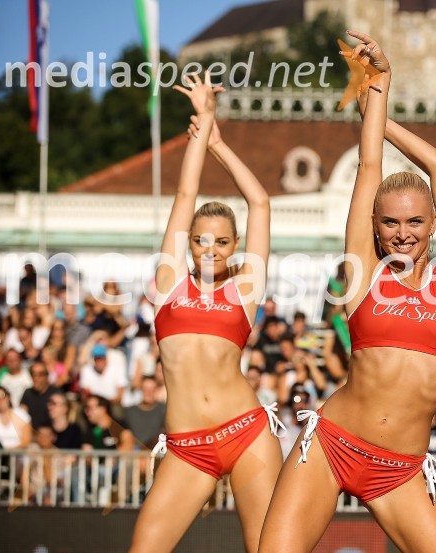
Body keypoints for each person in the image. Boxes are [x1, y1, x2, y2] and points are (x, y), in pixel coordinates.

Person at [259, 32, 436, 552]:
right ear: (375, 228)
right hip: (332, 445)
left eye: (416, 222)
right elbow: (369, 166)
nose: (403, 233)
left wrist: (382, 101)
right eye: (391, 223)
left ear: (435, 222)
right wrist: (375, 87)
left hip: (400, 471)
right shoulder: (364, 275)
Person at [128, 72, 284, 553]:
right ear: (188, 245)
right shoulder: (168, 280)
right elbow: (183, 196)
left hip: (247, 432)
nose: (209, 249)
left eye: (220, 241)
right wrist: (202, 121)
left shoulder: (245, 290)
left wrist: (218, 143)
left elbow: (260, 202)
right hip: (187, 446)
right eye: (199, 240)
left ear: (234, 246)